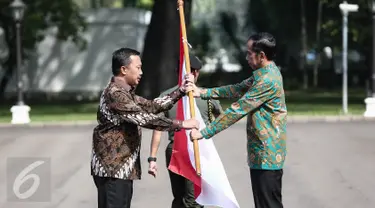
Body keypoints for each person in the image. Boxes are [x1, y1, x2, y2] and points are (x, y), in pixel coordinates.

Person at [90, 47, 198, 208]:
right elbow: (144, 119)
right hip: (112, 169)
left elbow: (152, 107)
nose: (141, 72)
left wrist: (180, 91)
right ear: (124, 69)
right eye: (138, 68)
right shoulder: (115, 94)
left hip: (121, 169)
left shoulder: (125, 93)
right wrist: (182, 124)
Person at [189, 32, 287, 208]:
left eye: (249, 53)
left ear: (261, 56)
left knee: (269, 204)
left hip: (268, 155)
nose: (247, 57)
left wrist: (204, 132)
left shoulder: (268, 80)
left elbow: (238, 109)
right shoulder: (262, 73)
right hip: (260, 154)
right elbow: (237, 89)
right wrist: (203, 92)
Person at [147, 54, 223, 208]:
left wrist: (152, 158)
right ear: (195, 73)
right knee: (193, 200)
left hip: (174, 151)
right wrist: (208, 131)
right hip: (197, 150)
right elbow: (221, 117)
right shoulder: (206, 95)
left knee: (179, 197)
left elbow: (158, 129)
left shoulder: (166, 96)